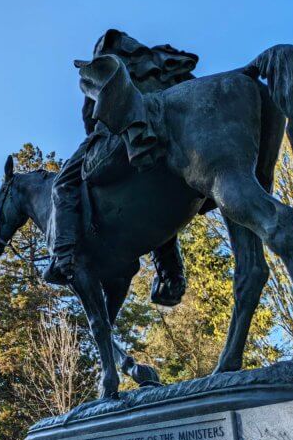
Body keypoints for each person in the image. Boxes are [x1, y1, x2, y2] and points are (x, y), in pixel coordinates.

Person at [44, 30, 199, 307]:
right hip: (168, 120)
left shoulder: (100, 68)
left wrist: (95, 134)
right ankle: (170, 272)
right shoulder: (155, 59)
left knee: (63, 183)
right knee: (160, 207)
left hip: (122, 129)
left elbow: (90, 117)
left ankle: (63, 256)